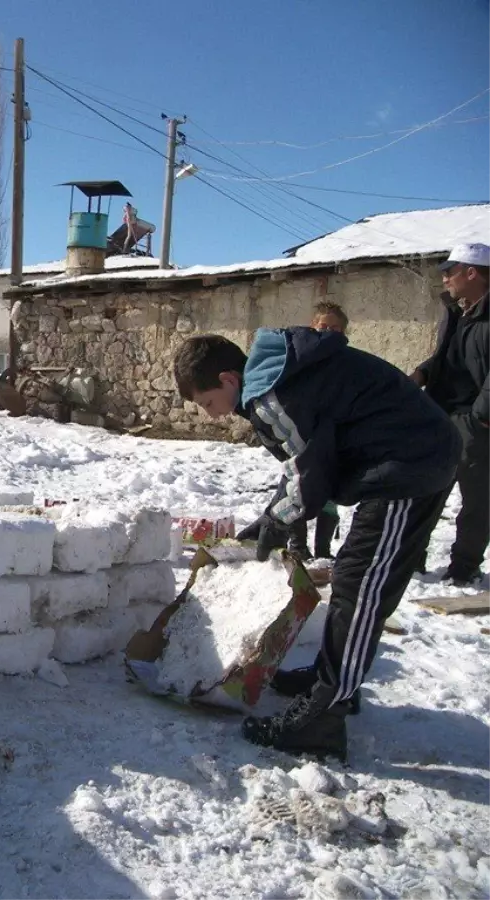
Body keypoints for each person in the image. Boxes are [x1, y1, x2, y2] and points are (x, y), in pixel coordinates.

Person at [173, 328, 459, 760]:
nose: (213, 416)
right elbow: (305, 461)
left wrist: (278, 519)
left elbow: (310, 472)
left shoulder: (269, 396)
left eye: (208, 403)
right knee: (355, 580)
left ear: (229, 380)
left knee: (360, 589)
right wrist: (271, 517)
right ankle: (329, 680)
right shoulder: (282, 376)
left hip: (407, 467)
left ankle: (323, 716)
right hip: (410, 458)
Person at [409, 242, 490, 585]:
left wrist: (480, 418)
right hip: (439, 416)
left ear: (471, 272)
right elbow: (446, 357)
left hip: (474, 421)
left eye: (449, 271)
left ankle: (463, 567)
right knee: (425, 489)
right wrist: (422, 374)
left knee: (477, 500)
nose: (444, 278)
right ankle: (411, 559)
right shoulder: (456, 311)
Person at [286, 302, 349, 560]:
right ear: (313, 326)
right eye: (324, 326)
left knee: (330, 492)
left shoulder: (347, 360)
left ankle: (323, 549)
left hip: (335, 433)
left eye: (336, 328)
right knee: (298, 487)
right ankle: (297, 545)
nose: (329, 332)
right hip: (303, 431)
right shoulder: (302, 355)